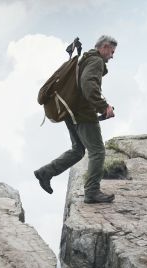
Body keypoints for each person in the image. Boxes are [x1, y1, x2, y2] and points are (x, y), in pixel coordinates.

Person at [34, 35, 118, 204]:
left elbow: (83, 86)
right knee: (98, 152)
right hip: (82, 114)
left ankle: (45, 172)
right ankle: (92, 192)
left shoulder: (84, 59)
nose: (112, 56)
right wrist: (103, 107)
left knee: (78, 150)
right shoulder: (96, 61)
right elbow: (88, 85)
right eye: (112, 51)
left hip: (71, 111)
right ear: (104, 47)